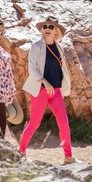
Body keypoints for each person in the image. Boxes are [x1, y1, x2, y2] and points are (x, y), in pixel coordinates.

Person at [19, 16, 75, 165]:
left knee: (64, 123)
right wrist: (45, 82)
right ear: (42, 30)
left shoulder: (59, 47)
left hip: (56, 91)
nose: (48, 29)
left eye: (51, 27)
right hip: (41, 90)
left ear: (56, 30)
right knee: (34, 124)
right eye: (45, 27)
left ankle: (68, 157)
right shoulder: (36, 46)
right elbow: (32, 68)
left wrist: (62, 86)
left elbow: (61, 68)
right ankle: (21, 153)